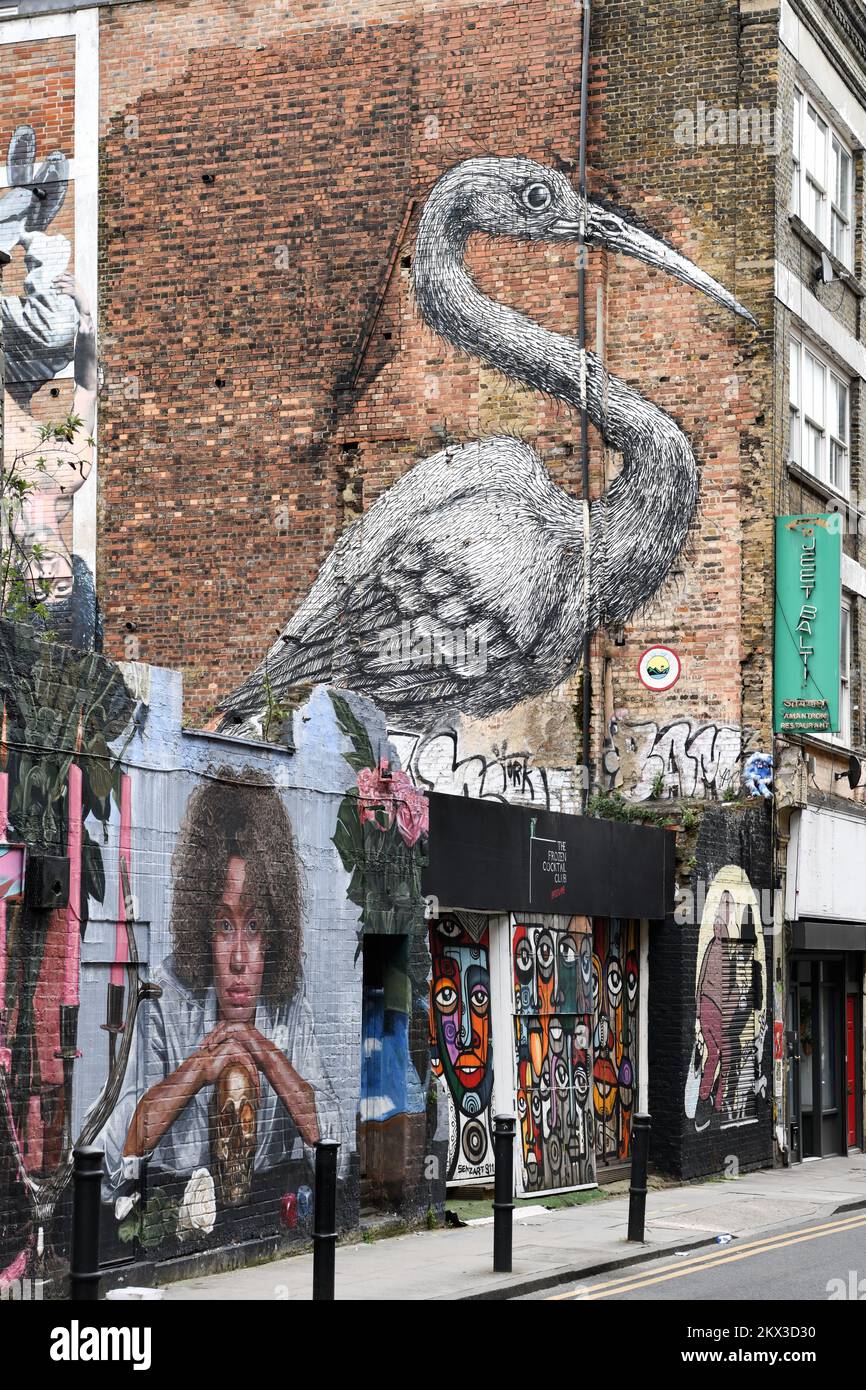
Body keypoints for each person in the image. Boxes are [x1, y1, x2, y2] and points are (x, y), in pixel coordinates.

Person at [97, 774, 345, 1211]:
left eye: (253, 927)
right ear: (201, 927)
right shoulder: (167, 998)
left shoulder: (287, 1007)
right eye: (224, 925)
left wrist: (261, 1049)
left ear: (273, 934)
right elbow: (105, 1162)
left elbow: (335, 1147)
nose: (237, 959)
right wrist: (199, 1068)